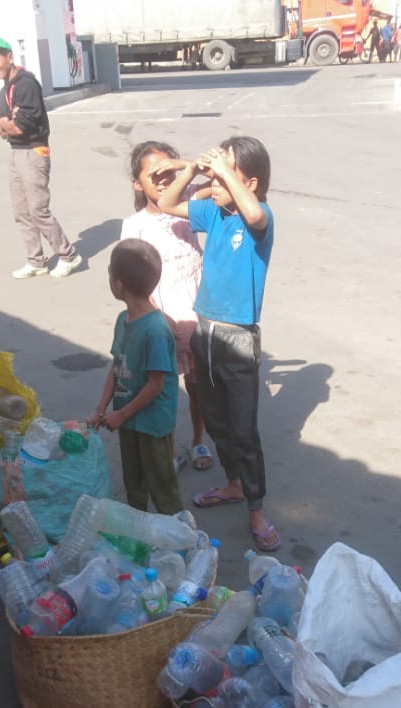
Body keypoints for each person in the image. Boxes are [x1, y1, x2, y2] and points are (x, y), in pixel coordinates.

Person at [155, 136, 281, 553]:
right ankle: (232, 484)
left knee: (244, 430)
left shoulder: (257, 219)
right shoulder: (214, 211)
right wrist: (193, 171)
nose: (217, 179)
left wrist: (226, 172)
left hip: (238, 337)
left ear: (251, 181)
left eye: (227, 173)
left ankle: (256, 509)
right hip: (205, 330)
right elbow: (168, 203)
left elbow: (256, 213)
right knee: (217, 418)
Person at [120, 141, 211, 474]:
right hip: (162, 317)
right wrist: (158, 314)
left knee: (199, 385)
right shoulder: (135, 225)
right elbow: (135, 280)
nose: (161, 180)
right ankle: (171, 446)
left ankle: (200, 437)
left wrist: (184, 165)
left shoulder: (190, 208)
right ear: (136, 183)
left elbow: (220, 183)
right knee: (165, 387)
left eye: (168, 172)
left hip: (199, 310)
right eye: (152, 174)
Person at [89, 239, 183, 515]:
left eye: (109, 272)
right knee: (135, 483)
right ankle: (138, 530)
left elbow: (156, 385)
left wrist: (122, 414)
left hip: (152, 424)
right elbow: (116, 367)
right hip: (128, 419)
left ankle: (180, 538)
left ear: (118, 284)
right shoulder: (123, 320)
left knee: (162, 486)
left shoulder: (155, 330)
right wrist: (101, 409)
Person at [0, 36, 82, 280]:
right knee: (21, 211)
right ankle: (36, 261)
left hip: (34, 152)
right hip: (16, 152)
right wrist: (6, 121)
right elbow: (1, 129)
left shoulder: (26, 85)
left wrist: (9, 123)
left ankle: (68, 256)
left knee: (38, 210)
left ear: (10, 57)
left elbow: (19, 128)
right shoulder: (4, 90)